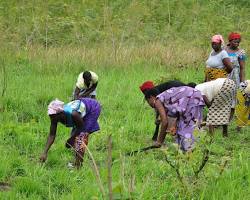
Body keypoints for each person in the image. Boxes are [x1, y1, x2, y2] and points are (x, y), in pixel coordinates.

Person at [39, 98, 101, 168]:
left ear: (61, 113)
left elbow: (81, 128)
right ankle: (76, 162)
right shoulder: (54, 117)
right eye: (50, 115)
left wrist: (71, 140)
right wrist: (45, 152)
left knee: (80, 139)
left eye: (53, 116)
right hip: (81, 111)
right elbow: (52, 135)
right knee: (75, 137)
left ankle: (78, 167)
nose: (52, 118)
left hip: (92, 108)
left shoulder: (73, 114)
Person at [144, 86, 205, 152]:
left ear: (151, 97)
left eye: (148, 101)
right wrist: (175, 126)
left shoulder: (157, 101)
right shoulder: (165, 99)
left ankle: (189, 151)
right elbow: (178, 115)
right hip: (195, 96)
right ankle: (188, 150)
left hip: (191, 98)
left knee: (189, 126)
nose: (150, 105)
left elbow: (165, 122)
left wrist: (159, 141)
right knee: (191, 125)